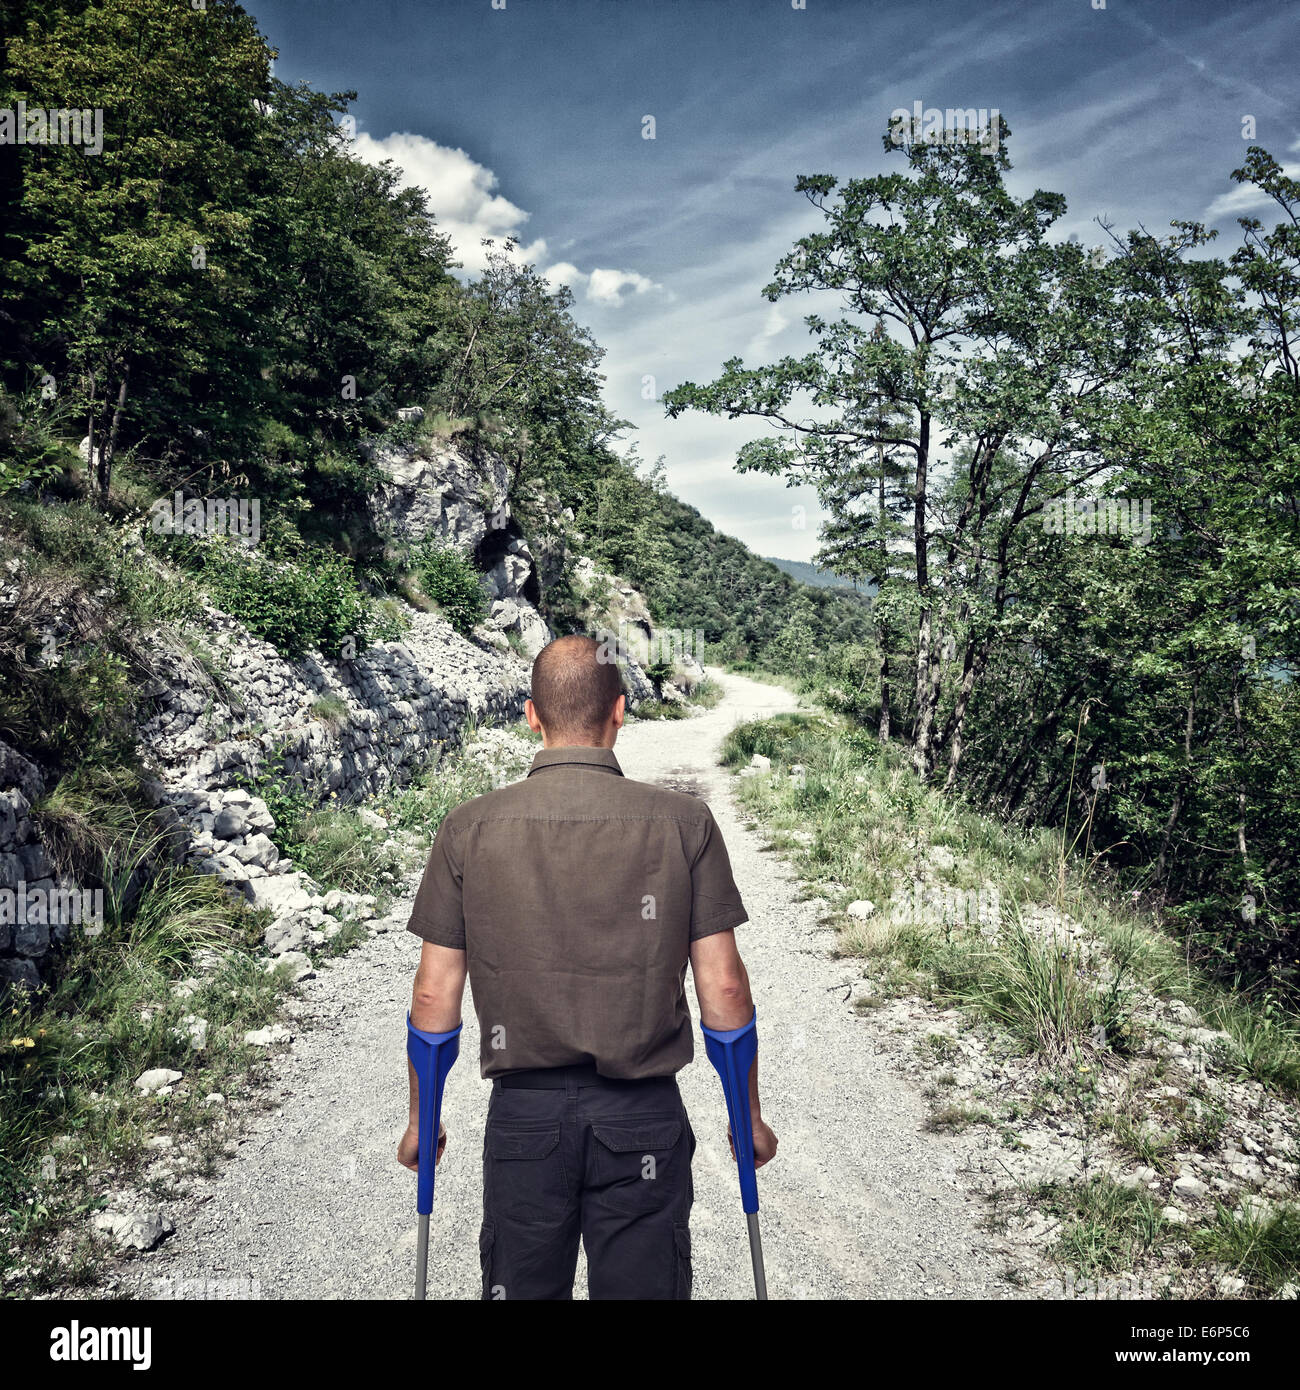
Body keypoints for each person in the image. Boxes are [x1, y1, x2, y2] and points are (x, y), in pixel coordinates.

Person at [397, 633, 777, 1300]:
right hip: (643, 1125)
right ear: (621, 711)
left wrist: (421, 1126)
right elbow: (723, 987)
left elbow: (434, 999)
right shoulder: (684, 824)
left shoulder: (468, 828)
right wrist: (746, 1118)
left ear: (531, 715)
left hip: (524, 1125)